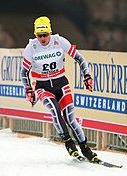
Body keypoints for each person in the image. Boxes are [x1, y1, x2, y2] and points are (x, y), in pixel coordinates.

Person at [20, 16, 99, 163]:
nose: (43, 38)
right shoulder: (31, 47)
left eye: (45, 35)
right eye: (39, 35)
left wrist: (87, 76)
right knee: (55, 109)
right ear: (35, 35)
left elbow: (80, 58)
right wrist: (29, 89)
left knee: (70, 118)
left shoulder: (59, 41)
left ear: (50, 32)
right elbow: (23, 72)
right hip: (43, 86)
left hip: (61, 83)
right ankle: (68, 142)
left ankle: (86, 149)